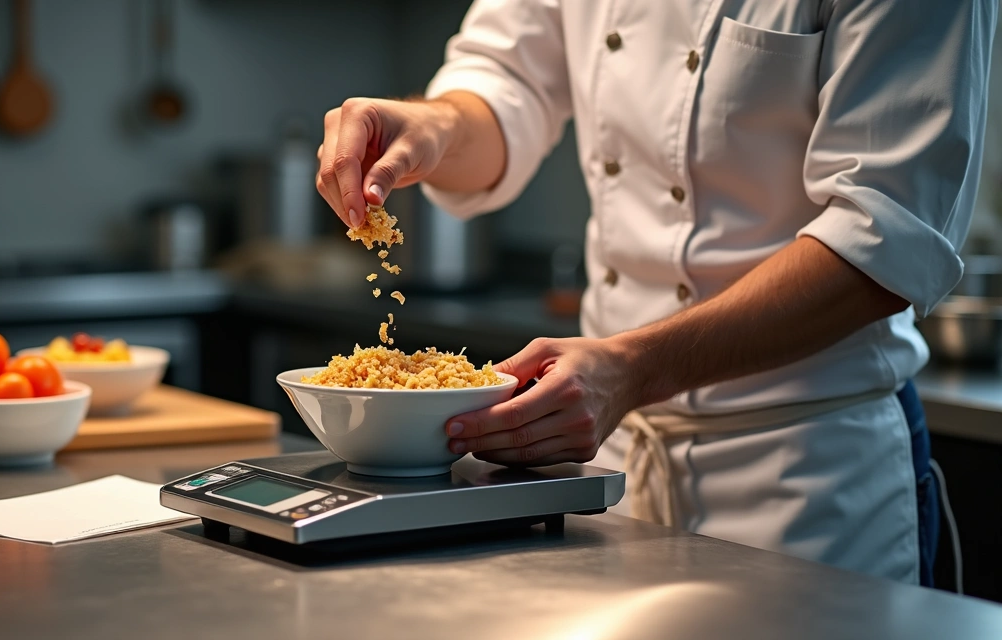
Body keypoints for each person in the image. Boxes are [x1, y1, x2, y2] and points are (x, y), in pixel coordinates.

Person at [315, 0, 994, 585]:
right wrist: (430, 128)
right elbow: (506, 81)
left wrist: (638, 368)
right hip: (606, 465)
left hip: (807, 480)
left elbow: (885, 235)